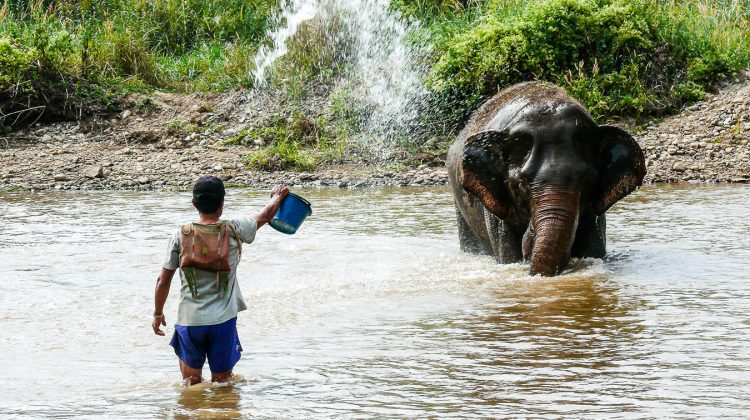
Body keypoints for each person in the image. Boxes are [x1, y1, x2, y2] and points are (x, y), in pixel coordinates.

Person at [152, 175, 289, 385]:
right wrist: (277, 197)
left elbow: (163, 280)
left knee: (190, 385)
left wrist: (158, 313)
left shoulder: (180, 235)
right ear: (222, 203)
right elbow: (265, 215)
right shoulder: (235, 229)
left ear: (194, 203)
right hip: (222, 322)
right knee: (223, 385)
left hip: (190, 322)